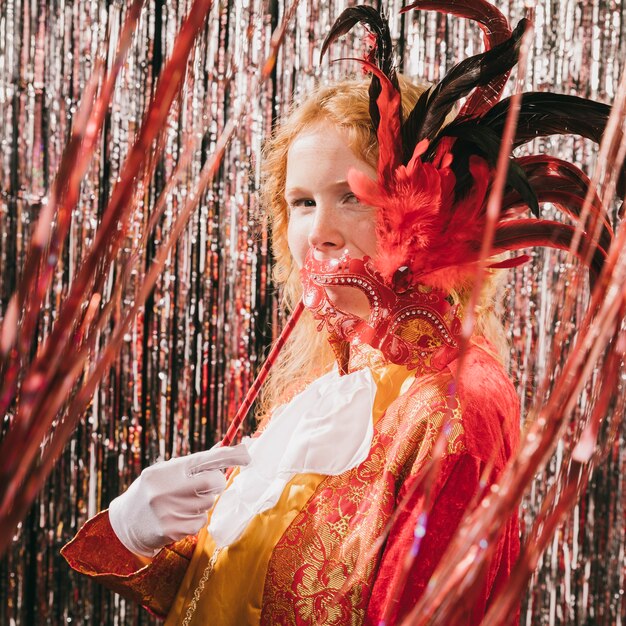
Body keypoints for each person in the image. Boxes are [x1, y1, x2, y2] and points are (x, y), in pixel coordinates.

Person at [61, 4, 613, 625]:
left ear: (430, 205)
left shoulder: (460, 403)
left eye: (351, 196)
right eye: (301, 202)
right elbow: (239, 594)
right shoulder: (318, 389)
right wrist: (136, 532)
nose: (318, 233)